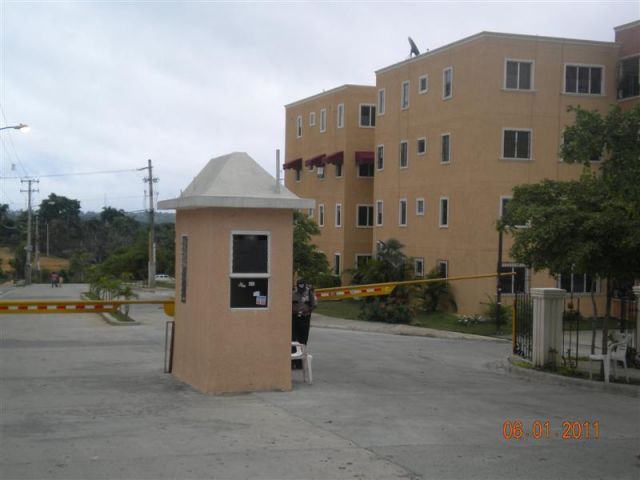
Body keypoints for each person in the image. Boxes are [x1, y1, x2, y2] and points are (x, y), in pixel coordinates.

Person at [291, 278, 316, 369]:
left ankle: (300, 363)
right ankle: (293, 362)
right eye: (299, 285)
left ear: (305, 285)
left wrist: (308, 311)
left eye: (303, 285)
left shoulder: (309, 293)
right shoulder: (293, 293)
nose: (301, 288)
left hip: (305, 318)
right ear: (297, 285)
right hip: (294, 318)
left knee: (303, 340)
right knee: (294, 340)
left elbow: (314, 305)